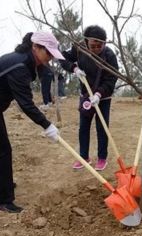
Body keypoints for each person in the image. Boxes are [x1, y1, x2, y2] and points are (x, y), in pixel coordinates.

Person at [0, 31, 64, 213]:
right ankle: (0, 200)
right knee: (1, 150)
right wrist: (47, 125)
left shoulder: (25, 60)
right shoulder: (20, 65)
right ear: (35, 47)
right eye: (49, 53)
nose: (51, 58)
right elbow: (26, 104)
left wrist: (73, 67)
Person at [60, 25, 118, 171]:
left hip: (102, 97)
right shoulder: (79, 48)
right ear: (86, 42)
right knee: (83, 127)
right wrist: (74, 68)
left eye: (100, 45)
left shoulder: (109, 55)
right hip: (85, 94)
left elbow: (112, 79)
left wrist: (99, 94)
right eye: (93, 45)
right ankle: (83, 157)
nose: (96, 49)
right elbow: (63, 58)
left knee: (102, 127)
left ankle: (102, 158)